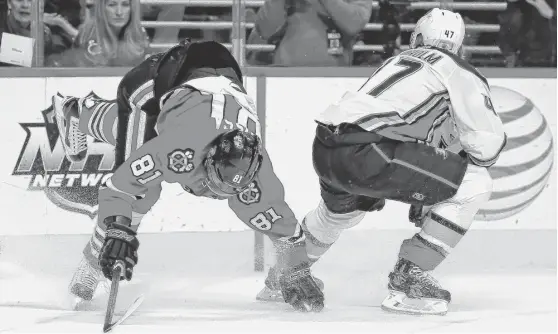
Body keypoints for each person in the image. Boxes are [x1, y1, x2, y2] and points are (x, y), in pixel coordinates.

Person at [55, 40, 324, 313]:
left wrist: (295, 271)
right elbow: (120, 188)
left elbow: (287, 232)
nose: (217, 192)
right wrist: (117, 230)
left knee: (144, 138)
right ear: (207, 158)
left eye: (227, 190)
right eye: (216, 182)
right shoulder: (181, 150)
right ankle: (88, 268)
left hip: (215, 79)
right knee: (143, 191)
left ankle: (83, 111)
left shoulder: (257, 177)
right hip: (163, 76)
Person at [293, 8, 506, 315]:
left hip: (328, 146)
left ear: (416, 38)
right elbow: (487, 145)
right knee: (474, 182)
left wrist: (429, 185)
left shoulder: (396, 62)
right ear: (459, 46)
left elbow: (403, 125)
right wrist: (441, 188)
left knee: (339, 215)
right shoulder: (459, 70)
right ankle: (410, 278)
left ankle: (286, 275)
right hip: (370, 153)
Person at [61, 0, 149, 67]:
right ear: (102, 8)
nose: (119, 12)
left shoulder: (139, 34)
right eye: (112, 5)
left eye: (125, 5)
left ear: (132, 8)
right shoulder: (88, 33)